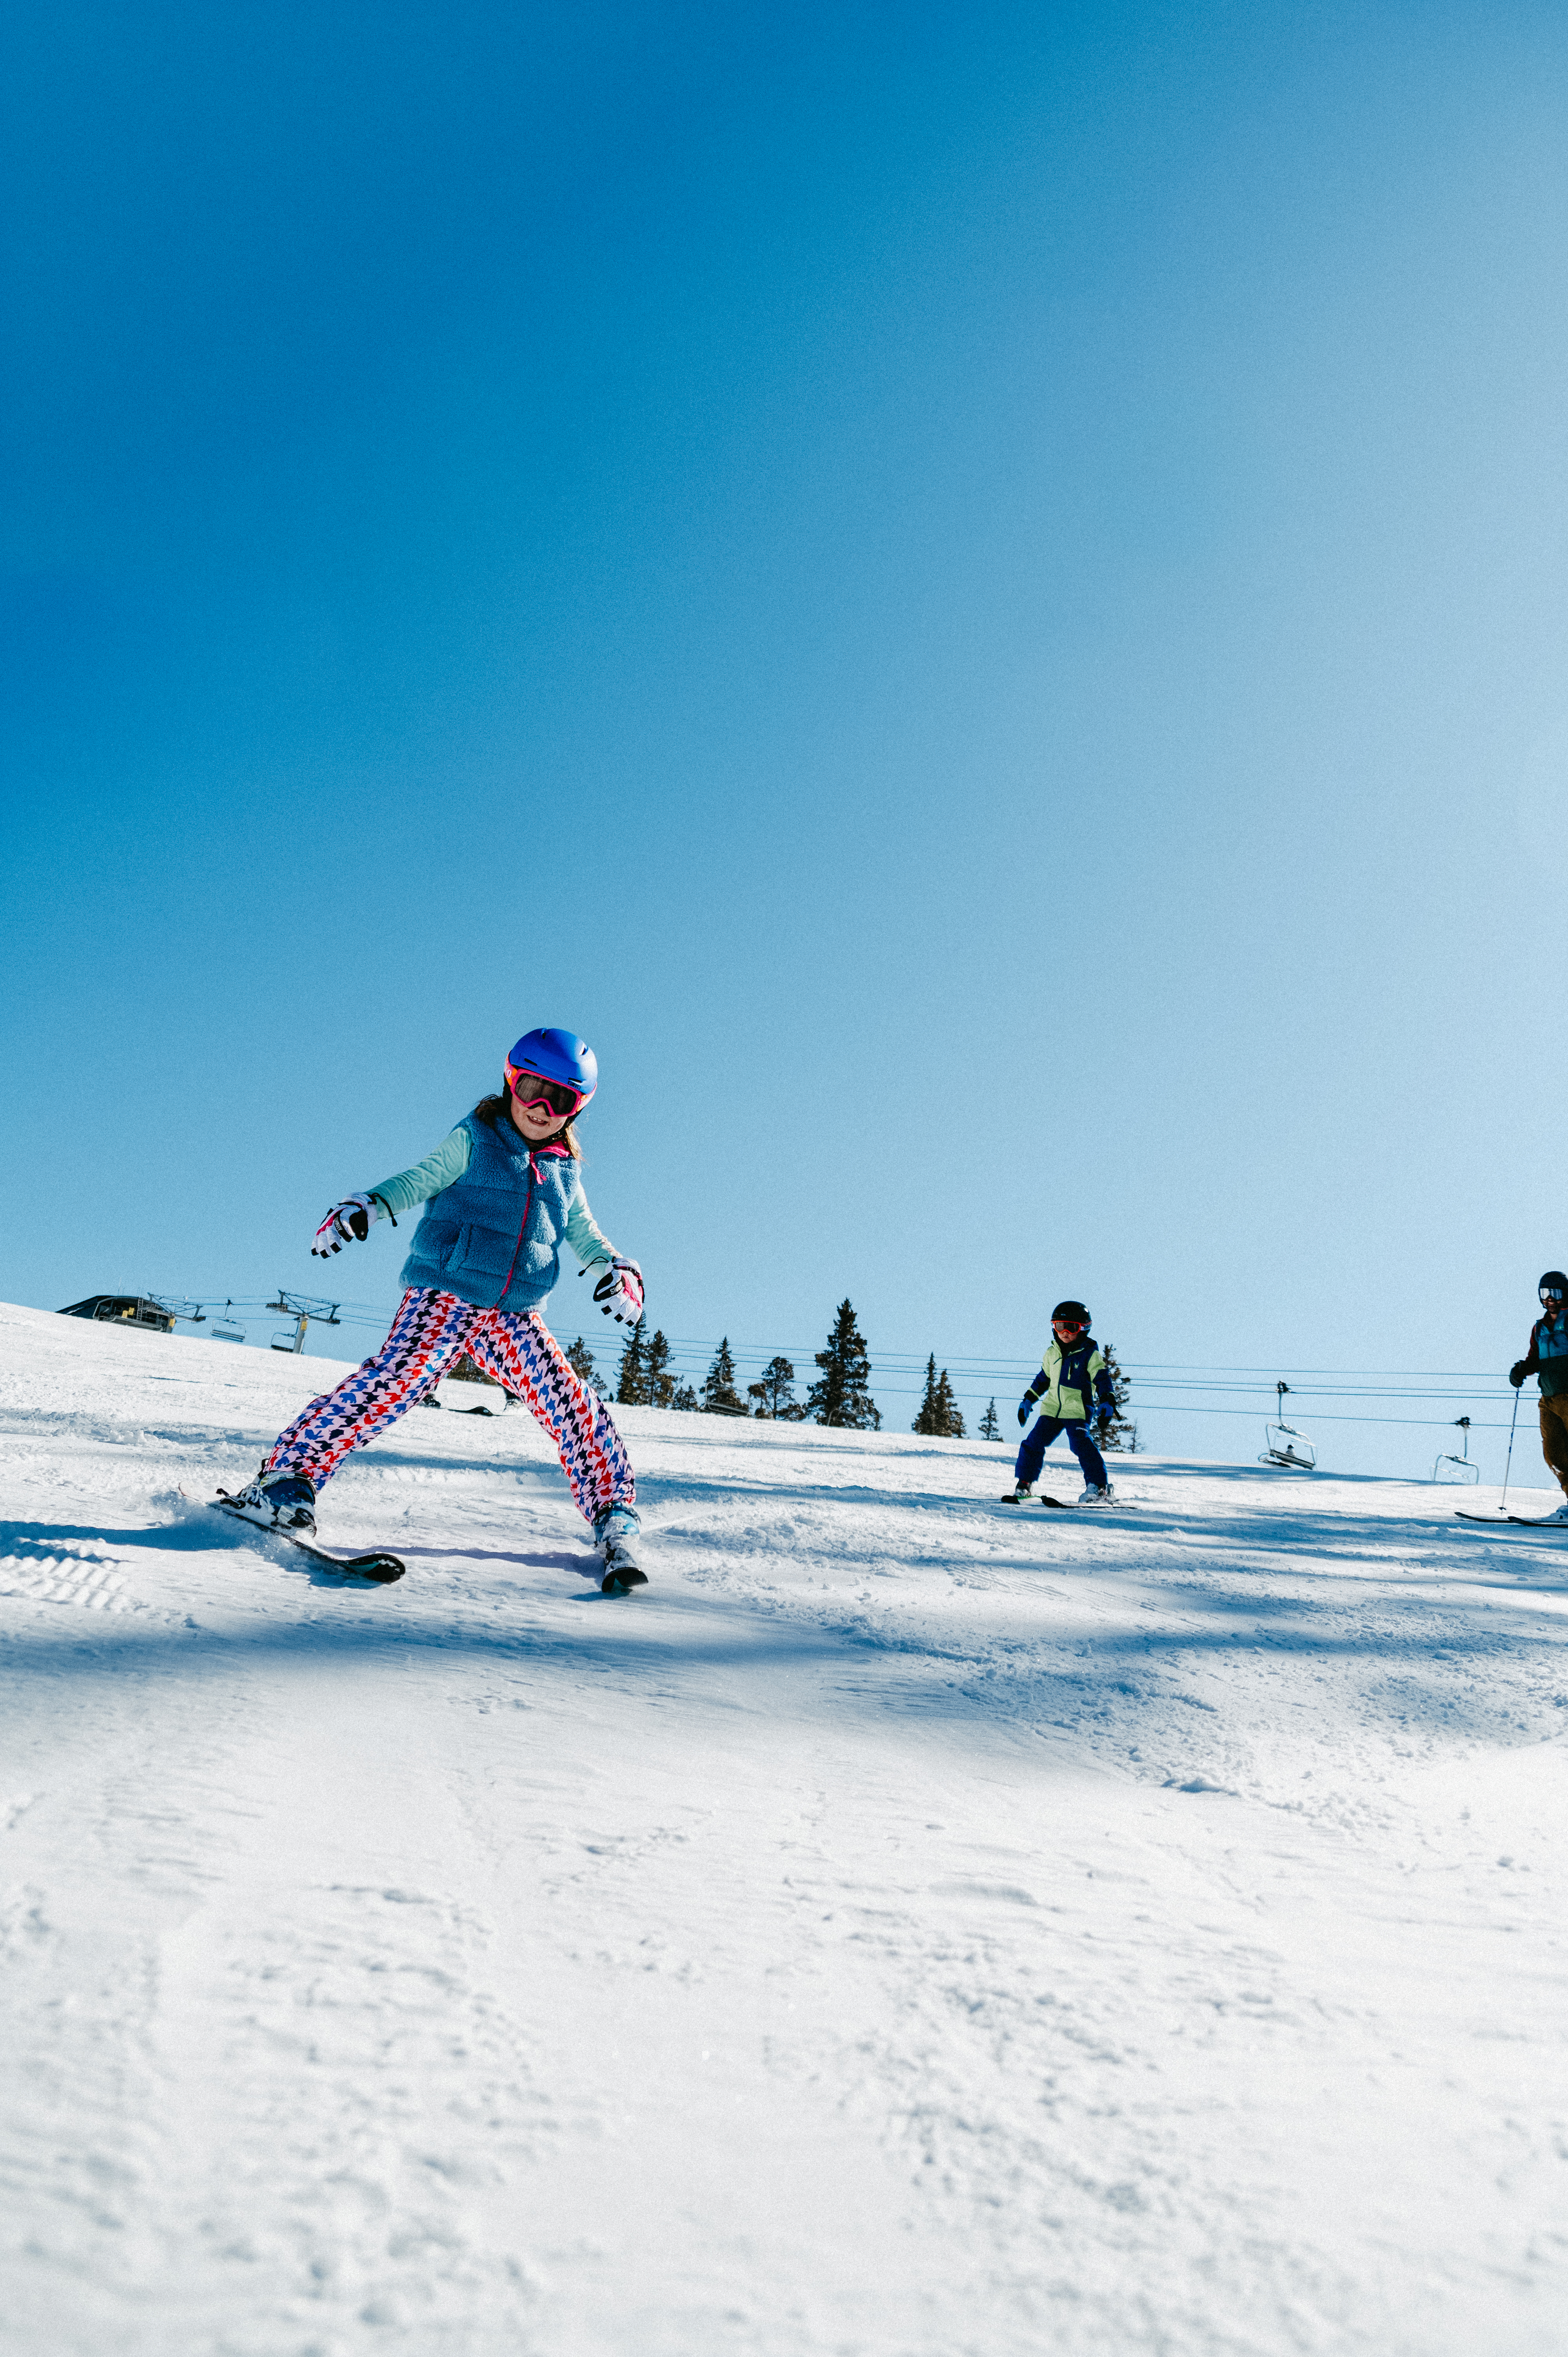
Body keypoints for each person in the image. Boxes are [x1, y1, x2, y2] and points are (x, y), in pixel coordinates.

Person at [227, 1028, 650, 1591]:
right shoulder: (476, 1137)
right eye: (531, 1090)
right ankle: (287, 1478)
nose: (543, 1109)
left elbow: (584, 1234)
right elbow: (421, 1179)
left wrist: (617, 1269)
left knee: (571, 1401)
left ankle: (613, 1515)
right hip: (445, 1291)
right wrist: (370, 1206)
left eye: (562, 1100)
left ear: (578, 1109)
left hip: (514, 1314)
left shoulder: (564, 1169)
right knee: (402, 1379)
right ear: (510, 1082)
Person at [1001, 1300, 1117, 1507]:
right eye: (1060, 1326)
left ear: (1083, 1329)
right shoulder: (1052, 1353)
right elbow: (1044, 1378)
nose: (1065, 1333)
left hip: (1077, 1409)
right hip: (1052, 1409)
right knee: (1033, 1444)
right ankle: (1025, 1484)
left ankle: (1099, 1487)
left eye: (1071, 1328)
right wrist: (1028, 1400)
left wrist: (1108, 1400)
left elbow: (1101, 1377)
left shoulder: (1090, 1354)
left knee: (1080, 1443)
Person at [1509, 1270, 1568, 1524]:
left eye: (1555, 1293)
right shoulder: (1539, 1328)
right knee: (1554, 1455)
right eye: (1546, 1294)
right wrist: (1521, 1369)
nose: (1550, 1299)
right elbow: (1535, 1358)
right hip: (1549, 1398)